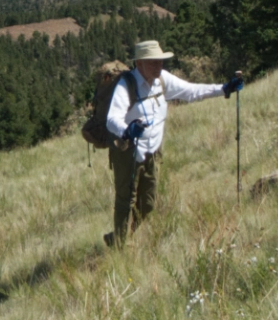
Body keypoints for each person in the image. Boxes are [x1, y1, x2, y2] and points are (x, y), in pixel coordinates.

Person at [103, 39, 244, 247]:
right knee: (125, 202)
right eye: (154, 62)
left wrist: (223, 89)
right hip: (128, 154)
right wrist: (126, 130)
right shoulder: (127, 85)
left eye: (161, 61)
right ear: (140, 63)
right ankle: (119, 250)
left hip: (153, 152)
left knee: (147, 205)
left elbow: (191, 91)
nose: (159, 65)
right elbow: (112, 118)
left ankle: (119, 236)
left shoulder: (162, 80)